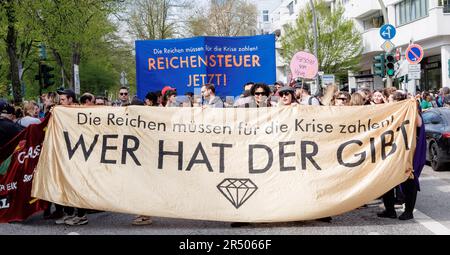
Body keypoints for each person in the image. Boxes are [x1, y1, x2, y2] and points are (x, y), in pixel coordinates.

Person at [377, 92, 425, 220]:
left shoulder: (410, 111)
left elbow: (419, 124)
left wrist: (412, 106)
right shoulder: (389, 112)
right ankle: (390, 210)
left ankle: (408, 212)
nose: (389, 102)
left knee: (409, 180)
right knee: (386, 182)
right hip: (389, 152)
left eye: (391, 100)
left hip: (406, 152)